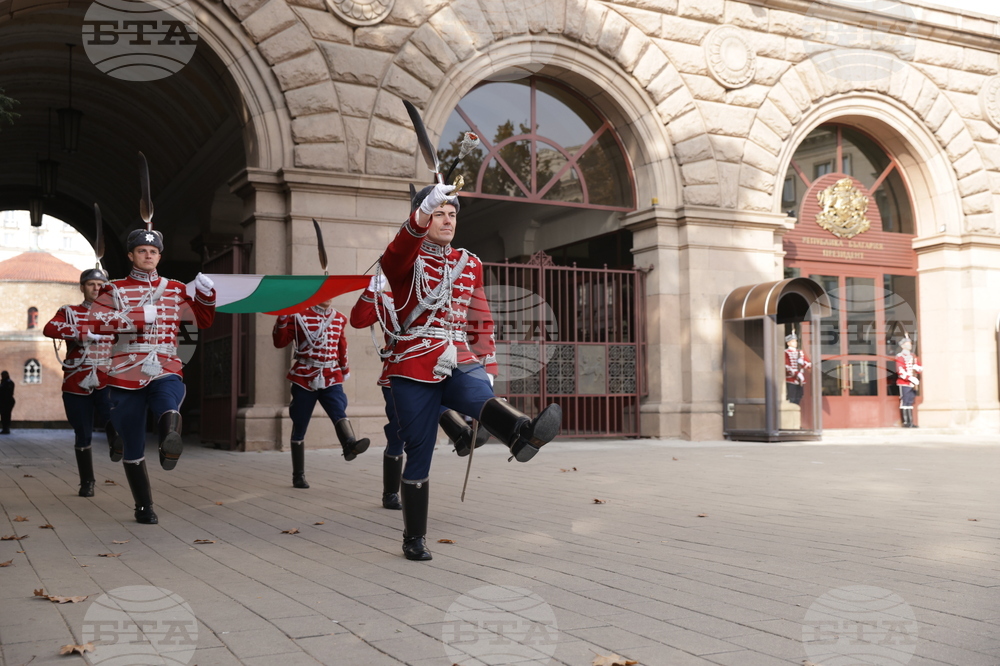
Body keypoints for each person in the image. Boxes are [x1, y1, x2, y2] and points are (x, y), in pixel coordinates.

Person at [379, 182, 562, 561]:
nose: (447, 221)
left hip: (458, 355)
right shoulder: (405, 260)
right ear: (424, 215)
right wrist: (418, 217)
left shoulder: (469, 261)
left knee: (481, 395)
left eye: (452, 214)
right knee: (419, 450)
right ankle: (414, 537)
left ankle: (522, 434)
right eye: (438, 213)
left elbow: (480, 318)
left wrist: (488, 364)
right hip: (413, 362)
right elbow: (395, 256)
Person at [90, 229, 216, 524]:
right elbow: (96, 321)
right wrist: (135, 317)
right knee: (132, 442)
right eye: (142, 251)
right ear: (131, 255)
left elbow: (203, 321)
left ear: (160, 256)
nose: (148, 255)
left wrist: (208, 295)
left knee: (168, 397)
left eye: (154, 251)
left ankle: (169, 441)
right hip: (125, 370)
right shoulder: (115, 289)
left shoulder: (175, 288)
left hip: (165, 364)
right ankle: (143, 506)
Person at [349, 273, 489, 510]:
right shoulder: (387, 300)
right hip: (401, 373)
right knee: (397, 433)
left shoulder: (437, 294)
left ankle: (461, 433)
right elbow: (358, 320)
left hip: (436, 367)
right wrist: (371, 290)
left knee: (435, 403)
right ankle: (390, 492)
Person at [273, 298, 370, 489]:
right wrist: (282, 318)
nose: (329, 298)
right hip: (304, 376)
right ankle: (298, 475)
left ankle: (349, 444)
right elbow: (280, 342)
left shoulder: (339, 318)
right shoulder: (298, 316)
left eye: (332, 294)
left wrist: (344, 369)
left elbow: (342, 345)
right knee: (300, 423)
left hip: (331, 375)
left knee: (339, 410)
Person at [43, 267, 121, 497]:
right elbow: (49, 328)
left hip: (107, 378)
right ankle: (87, 481)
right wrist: (83, 332)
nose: (96, 289)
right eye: (91, 285)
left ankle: (116, 442)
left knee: (113, 416)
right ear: (82, 287)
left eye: (100, 285)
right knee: (82, 432)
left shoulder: (115, 315)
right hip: (77, 380)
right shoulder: (69, 312)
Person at [896, 336, 921, 428]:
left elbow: (919, 367)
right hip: (904, 383)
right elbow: (900, 370)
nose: (910, 345)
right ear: (903, 345)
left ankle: (911, 422)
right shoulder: (900, 356)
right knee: (905, 401)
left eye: (910, 343)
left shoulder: (913, 356)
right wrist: (910, 378)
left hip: (912, 384)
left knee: (910, 401)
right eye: (907, 343)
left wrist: (917, 368)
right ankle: (906, 422)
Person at [784, 332, 810, 405]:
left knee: (799, 397)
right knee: (792, 398)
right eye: (793, 341)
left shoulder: (800, 352)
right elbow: (786, 366)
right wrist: (797, 373)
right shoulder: (786, 352)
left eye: (795, 341)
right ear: (788, 343)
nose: (795, 343)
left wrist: (803, 363)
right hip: (791, 379)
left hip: (800, 380)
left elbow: (809, 365)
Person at [0, 370, 14, 434]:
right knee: (4, 415)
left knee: (6, 415)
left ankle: (6, 428)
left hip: (6, 401)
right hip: (4, 401)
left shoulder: (8, 382)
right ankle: (5, 428)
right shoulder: (5, 382)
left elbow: (7, 392)